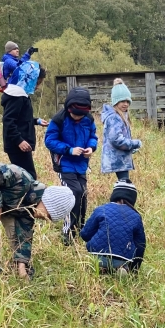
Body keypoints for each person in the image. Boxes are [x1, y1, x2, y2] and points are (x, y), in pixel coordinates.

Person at [0, 163, 74, 278]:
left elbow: (24, 237)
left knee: (14, 231)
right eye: (48, 215)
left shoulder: (30, 210)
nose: (45, 219)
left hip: (6, 202)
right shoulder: (21, 178)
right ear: (47, 203)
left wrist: (22, 268)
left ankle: (17, 265)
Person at [44, 87, 98, 243]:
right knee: (73, 193)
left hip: (81, 164)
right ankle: (67, 234)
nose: (78, 118)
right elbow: (49, 141)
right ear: (68, 108)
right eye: (75, 115)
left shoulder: (88, 119)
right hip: (65, 163)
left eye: (81, 116)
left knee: (82, 194)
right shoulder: (59, 119)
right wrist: (69, 150)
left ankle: (80, 230)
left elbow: (93, 136)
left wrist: (91, 147)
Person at [80, 181, 146, 274]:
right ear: (133, 198)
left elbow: (85, 234)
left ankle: (101, 267)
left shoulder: (101, 209)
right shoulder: (136, 216)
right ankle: (121, 268)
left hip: (98, 255)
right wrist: (134, 269)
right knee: (122, 263)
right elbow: (140, 245)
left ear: (114, 194)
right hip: (122, 258)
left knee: (97, 261)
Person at [1, 53, 48, 180]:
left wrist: (36, 121)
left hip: (22, 144)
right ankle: (22, 200)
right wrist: (19, 141)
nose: (37, 87)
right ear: (28, 78)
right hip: (17, 145)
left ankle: (22, 199)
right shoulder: (16, 96)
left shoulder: (22, 95)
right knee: (27, 178)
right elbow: (8, 120)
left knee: (24, 178)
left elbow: (21, 118)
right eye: (37, 82)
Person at [101, 78, 142, 182]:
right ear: (115, 101)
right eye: (122, 101)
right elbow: (117, 140)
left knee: (123, 184)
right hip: (118, 160)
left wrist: (130, 148)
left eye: (128, 101)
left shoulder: (121, 116)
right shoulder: (114, 118)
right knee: (124, 186)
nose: (126, 104)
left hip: (121, 159)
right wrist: (135, 143)